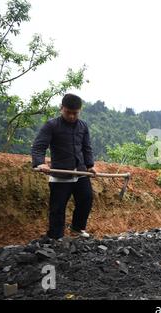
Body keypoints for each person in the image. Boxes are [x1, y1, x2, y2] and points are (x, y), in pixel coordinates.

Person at [31, 93, 97, 240]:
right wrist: (40, 162)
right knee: (58, 207)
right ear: (61, 108)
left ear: (79, 111)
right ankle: (55, 236)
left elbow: (87, 147)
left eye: (75, 113)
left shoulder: (83, 126)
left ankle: (77, 228)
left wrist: (89, 165)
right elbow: (38, 147)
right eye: (69, 112)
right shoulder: (52, 125)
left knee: (86, 199)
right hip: (60, 173)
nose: (72, 116)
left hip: (80, 172)